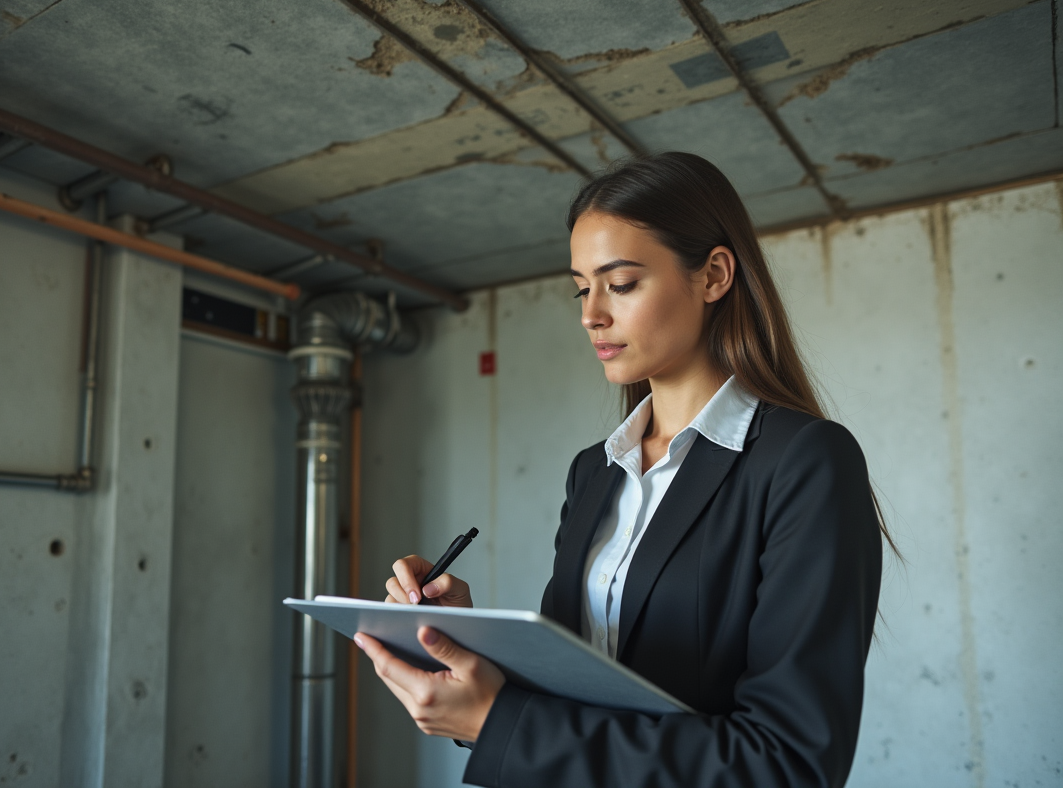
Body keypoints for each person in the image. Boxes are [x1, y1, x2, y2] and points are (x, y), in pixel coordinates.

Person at [353, 152, 891, 787]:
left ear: (715, 274)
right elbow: (576, 684)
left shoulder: (805, 461)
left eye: (622, 283)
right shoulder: (595, 472)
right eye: (583, 288)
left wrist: (497, 720)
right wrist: (467, 645)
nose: (591, 314)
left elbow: (790, 764)